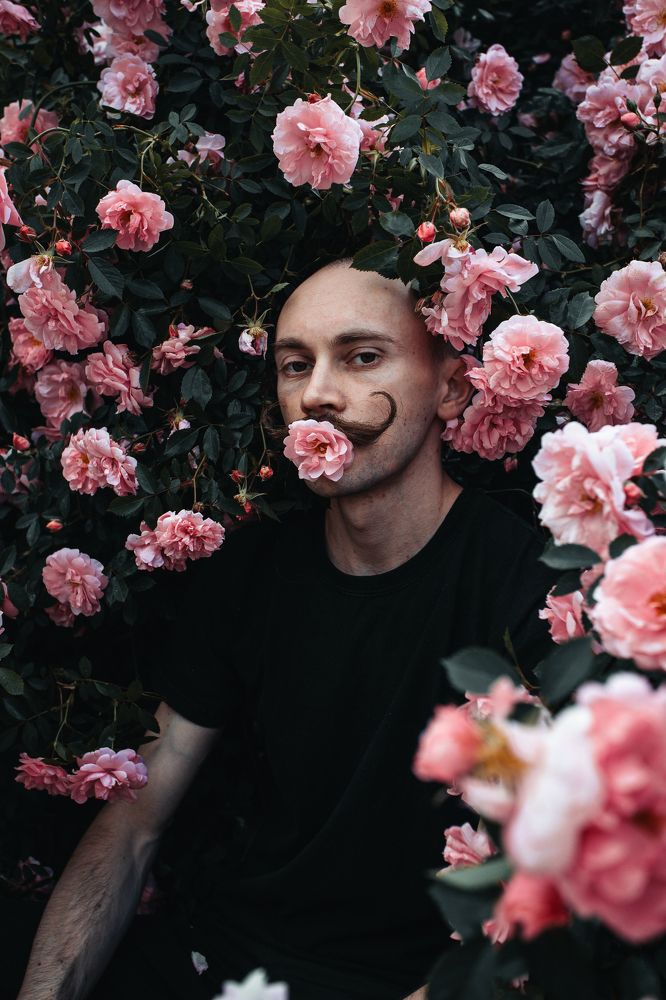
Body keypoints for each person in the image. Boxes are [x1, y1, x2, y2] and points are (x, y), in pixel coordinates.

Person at [17, 261, 556, 1000]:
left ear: (454, 388)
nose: (318, 395)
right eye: (296, 365)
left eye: (362, 356)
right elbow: (136, 820)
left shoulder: (530, 589)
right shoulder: (254, 569)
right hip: (232, 956)